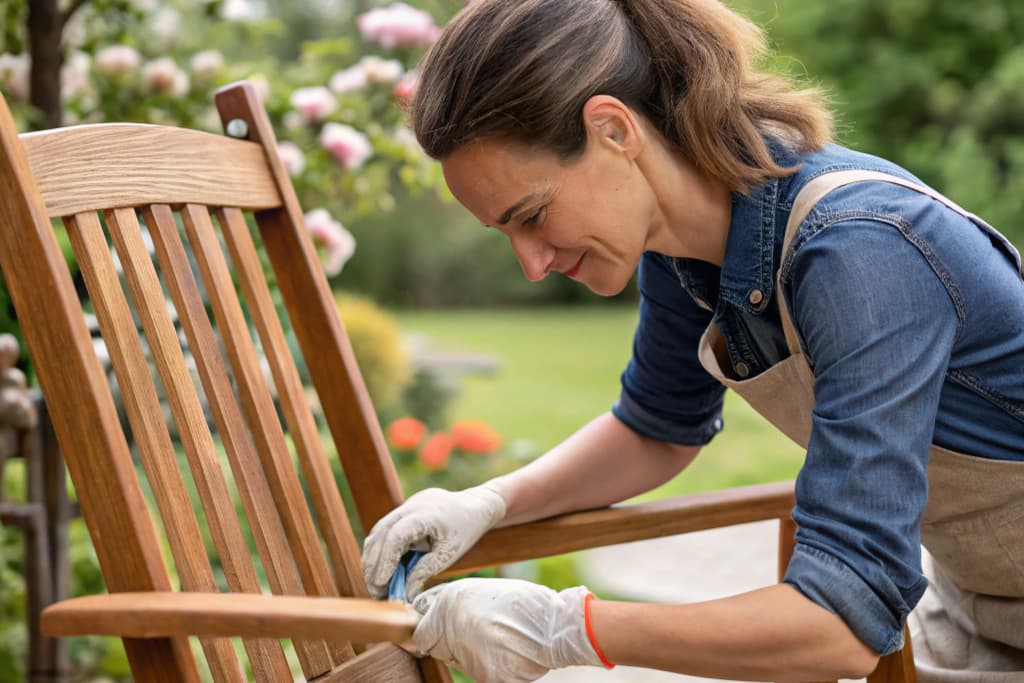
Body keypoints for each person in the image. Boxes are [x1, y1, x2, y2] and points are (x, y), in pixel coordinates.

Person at [360, 1, 1024, 681]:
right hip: (979, 613)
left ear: (614, 129)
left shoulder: (860, 253)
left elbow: (840, 621)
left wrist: (565, 630)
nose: (531, 264)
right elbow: (656, 430)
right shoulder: (685, 244)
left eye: (532, 215)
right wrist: (488, 504)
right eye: (505, 233)